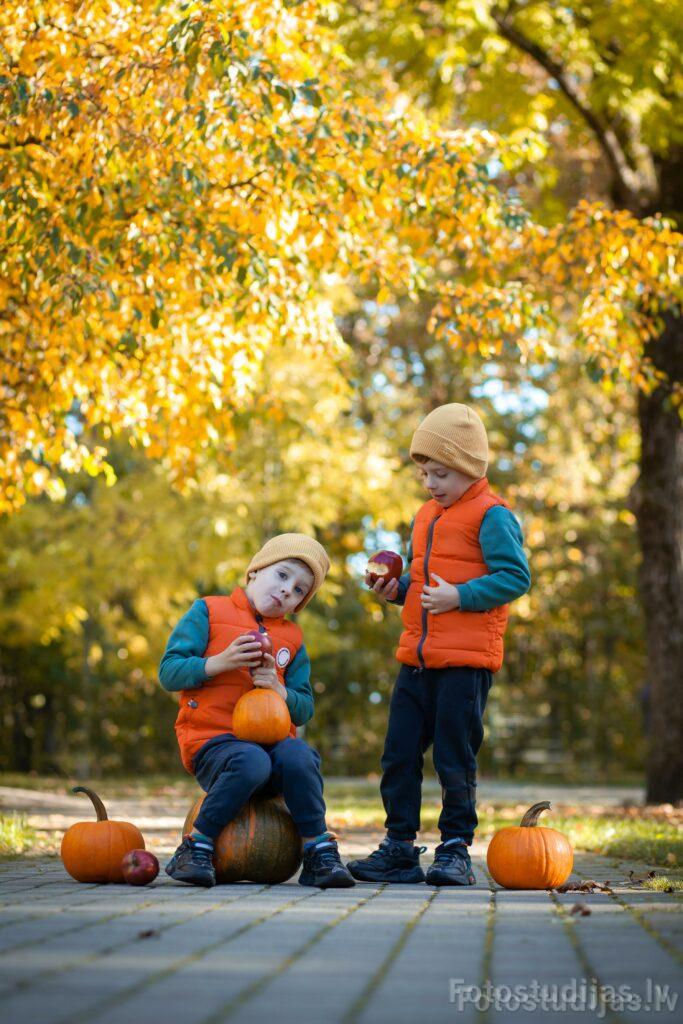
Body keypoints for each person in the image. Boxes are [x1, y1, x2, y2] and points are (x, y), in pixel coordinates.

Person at [348, 404, 531, 886]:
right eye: (425, 472)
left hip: (465, 663)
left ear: (470, 468)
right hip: (417, 658)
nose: (430, 483)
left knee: (454, 756)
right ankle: (400, 847)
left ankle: (455, 850)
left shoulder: (493, 516)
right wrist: (399, 589)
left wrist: (461, 597)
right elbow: (426, 580)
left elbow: (515, 577)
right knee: (398, 754)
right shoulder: (426, 515)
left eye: (441, 473)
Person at [160, 533, 354, 889]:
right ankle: (195, 845)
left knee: (300, 756)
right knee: (251, 760)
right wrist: (218, 663)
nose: (287, 590)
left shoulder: (292, 640)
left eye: (299, 590)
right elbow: (169, 672)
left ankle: (317, 851)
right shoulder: (209, 611)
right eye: (282, 575)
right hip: (214, 745)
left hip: (272, 749)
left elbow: (304, 708)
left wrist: (278, 689)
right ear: (254, 572)